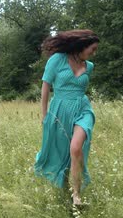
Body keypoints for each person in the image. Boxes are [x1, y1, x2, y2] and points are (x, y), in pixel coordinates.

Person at [34, 29, 99, 207]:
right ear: (81, 46)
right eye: (92, 49)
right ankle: (64, 185)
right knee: (62, 152)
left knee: (76, 148)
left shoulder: (90, 66)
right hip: (60, 109)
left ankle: (76, 196)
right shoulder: (57, 60)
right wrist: (45, 115)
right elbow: (46, 86)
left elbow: (80, 88)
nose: (93, 54)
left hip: (82, 108)